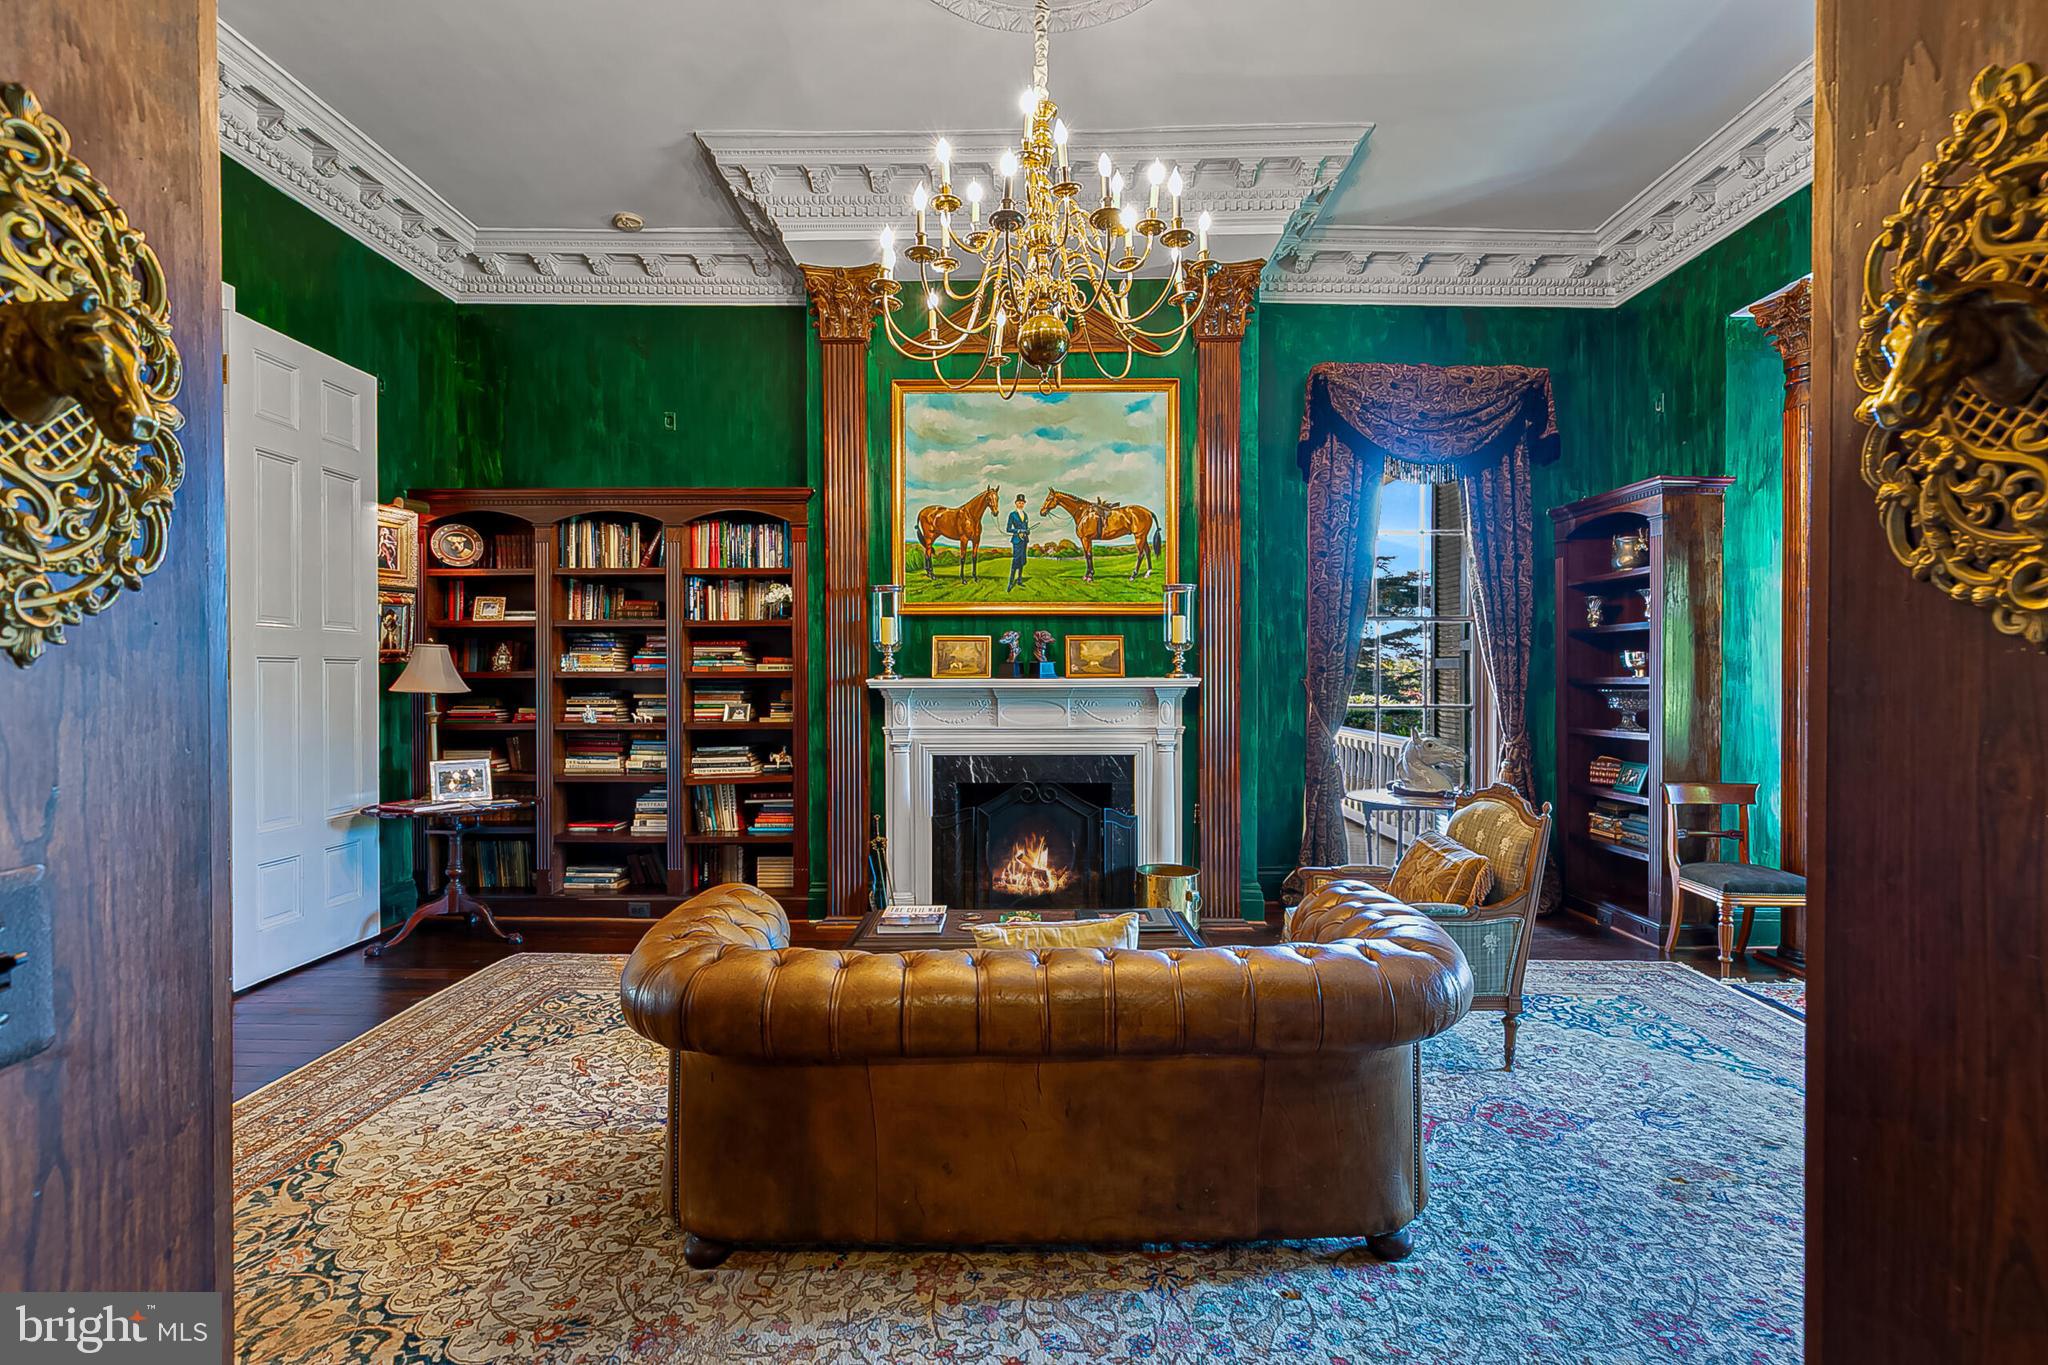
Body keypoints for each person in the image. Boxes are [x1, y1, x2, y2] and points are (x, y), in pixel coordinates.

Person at [1006, 494, 1030, 591]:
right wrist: (1018, 531)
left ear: (1024, 504)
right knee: (1016, 560)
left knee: (1022, 560)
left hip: (1024, 541)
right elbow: (1008, 529)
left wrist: (1027, 531)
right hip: (1016, 541)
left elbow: (1026, 528)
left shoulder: (1026, 515)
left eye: (1022, 503)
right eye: (1019, 502)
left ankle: (1019, 580)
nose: (1021, 504)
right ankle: (1010, 583)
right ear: (1016, 503)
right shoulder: (1012, 515)